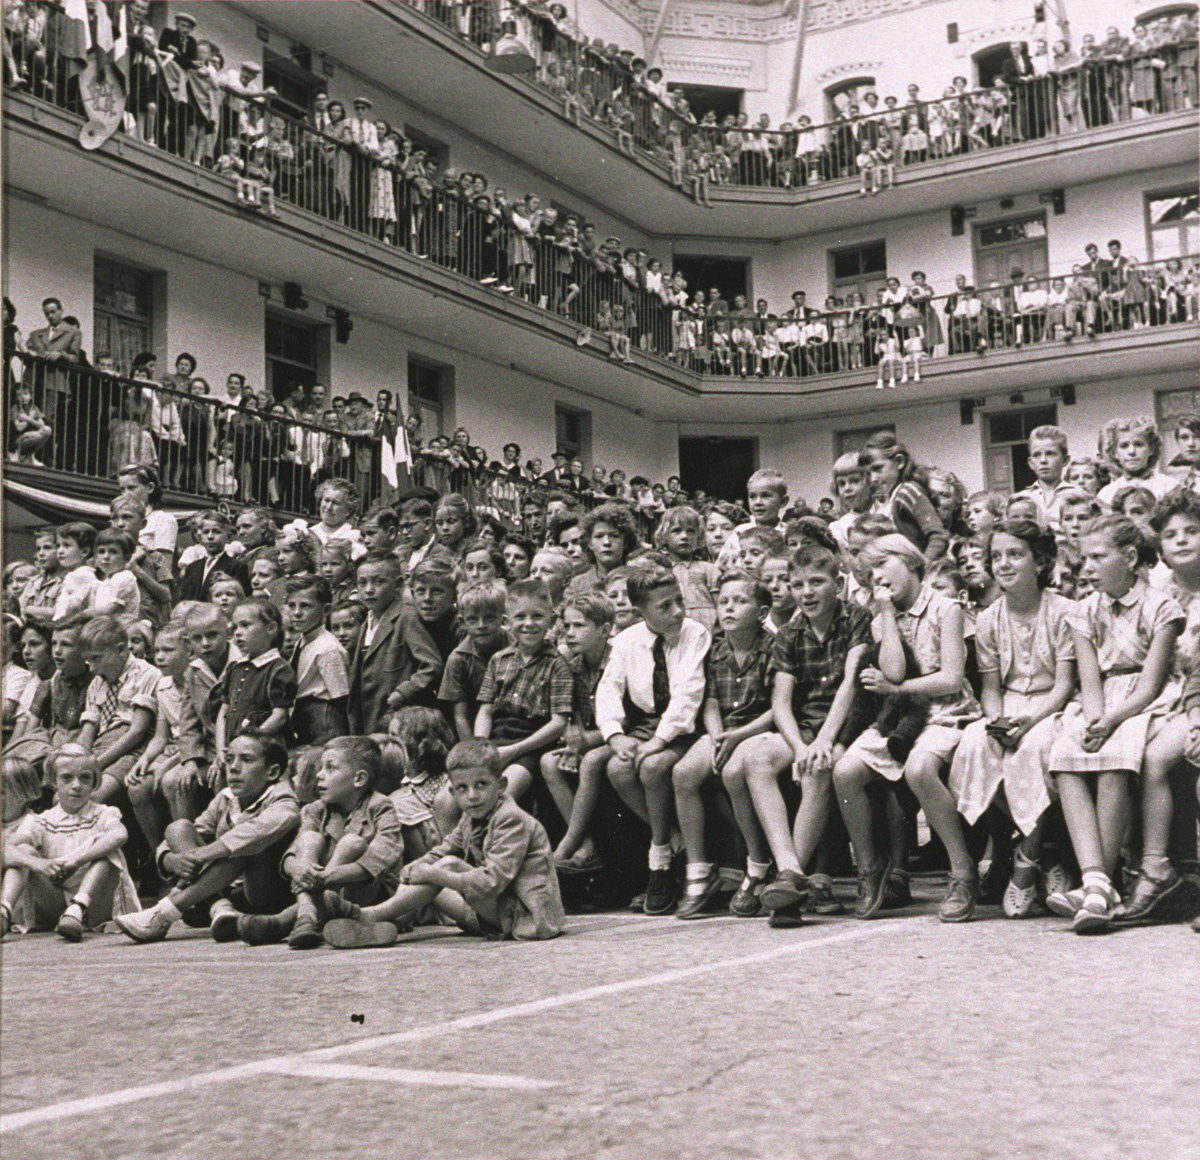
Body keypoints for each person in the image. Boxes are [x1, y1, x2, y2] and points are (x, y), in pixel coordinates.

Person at [833, 534, 982, 922]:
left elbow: (950, 678)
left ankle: (962, 871)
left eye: (882, 565)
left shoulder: (946, 608)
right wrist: (884, 613)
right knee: (845, 772)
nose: (876, 578)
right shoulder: (883, 614)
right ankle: (871, 868)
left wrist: (894, 688)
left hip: (946, 711)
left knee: (919, 769)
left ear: (909, 560)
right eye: (868, 574)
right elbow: (894, 670)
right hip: (902, 716)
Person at [1047, 516, 1184, 934]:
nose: (1086, 567)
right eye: (1082, 557)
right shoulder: (1083, 610)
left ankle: (1096, 889)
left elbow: (1151, 682)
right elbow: (1089, 679)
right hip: (1102, 700)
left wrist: (1112, 720)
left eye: (1097, 557)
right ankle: (1097, 881)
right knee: (1066, 754)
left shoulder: (1161, 605)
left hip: (1144, 700)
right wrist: (1093, 718)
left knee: (1114, 757)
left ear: (1128, 558)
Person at [948, 521, 1076, 918]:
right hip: (1008, 705)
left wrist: (1030, 721)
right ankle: (1045, 847)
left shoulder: (1064, 611)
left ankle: (1028, 859)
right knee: (972, 746)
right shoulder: (988, 619)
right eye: (996, 556)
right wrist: (996, 721)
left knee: (1033, 750)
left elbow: (1064, 685)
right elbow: (990, 685)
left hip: (1053, 707)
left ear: (1039, 562)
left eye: (1015, 554)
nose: (1003, 564)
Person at [323, 739, 565, 947]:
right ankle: (387, 925)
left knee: (447, 866)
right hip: (495, 914)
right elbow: (445, 847)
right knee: (436, 867)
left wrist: (432, 873)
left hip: (526, 919)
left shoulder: (511, 819)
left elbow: (490, 883)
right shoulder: (473, 815)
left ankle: (369, 916)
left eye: (481, 784)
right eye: (462, 788)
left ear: (501, 785)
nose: (472, 795)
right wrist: (417, 866)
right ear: (453, 791)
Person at [597, 565, 711, 915]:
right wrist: (615, 735)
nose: (677, 610)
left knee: (653, 767)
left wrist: (659, 740)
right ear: (640, 611)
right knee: (618, 768)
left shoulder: (695, 633)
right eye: (664, 606)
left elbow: (689, 694)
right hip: (647, 723)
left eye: (679, 601)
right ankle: (675, 842)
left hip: (685, 725)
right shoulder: (627, 640)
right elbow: (609, 688)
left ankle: (659, 859)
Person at [115, 731, 301, 943]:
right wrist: (172, 860)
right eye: (229, 759)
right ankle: (220, 909)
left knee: (243, 845)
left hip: (266, 894)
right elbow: (188, 833)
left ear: (273, 772)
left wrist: (203, 854)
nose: (233, 767)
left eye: (247, 760)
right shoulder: (226, 799)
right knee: (179, 828)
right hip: (230, 890)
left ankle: (164, 913)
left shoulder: (284, 798)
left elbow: (256, 831)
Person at [671, 572, 776, 919]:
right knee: (684, 772)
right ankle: (698, 868)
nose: (729, 607)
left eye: (739, 601)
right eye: (724, 601)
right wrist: (717, 736)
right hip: (723, 730)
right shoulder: (715, 649)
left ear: (761, 613)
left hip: (758, 730)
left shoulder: (773, 647)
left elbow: (778, 706)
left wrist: (737, 736)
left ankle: (757, 863)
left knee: (734, 771)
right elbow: (711, 702)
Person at [238, 735, 403, 949]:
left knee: (351, 843)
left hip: (368, 894)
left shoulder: (381, 806)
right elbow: (292, 854)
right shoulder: (315, 809)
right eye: (321, 767)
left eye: (330, 768)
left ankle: (286, 921)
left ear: (359, 779)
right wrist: (299, 869)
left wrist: (325, 877)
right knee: (309, 838)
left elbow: (382, 856)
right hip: (320, 887)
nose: (319, 774)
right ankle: (308, 914)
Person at [1, 745, 139, 940]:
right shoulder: (41, 820)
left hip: (96, 905)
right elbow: (6, 850)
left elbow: (119, 835)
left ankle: (77, 907)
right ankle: (4, 911)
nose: (76, 785)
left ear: (95, 782)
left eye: (85, 778)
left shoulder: (103, 814)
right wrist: (39, 864)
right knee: (23, 851)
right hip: (56, 906)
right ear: (53, 781)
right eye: (66, 778)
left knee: (105, 847)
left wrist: (75, 862)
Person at [474, 579, 572, 800]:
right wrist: (481, 745)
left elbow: (558, 723)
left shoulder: (557, 664)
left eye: (537, 616)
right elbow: (485, 711)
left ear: (552, 620)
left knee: (500, 795)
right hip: (495, 741)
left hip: (532, 746)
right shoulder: (498, 660)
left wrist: (514, 750)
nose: (528, 624)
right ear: (507, 622)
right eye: (520, 617)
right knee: (447, 800)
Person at [348, 551, 441, 733]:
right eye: (362, 583)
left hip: (397, 718)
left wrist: (402, 693)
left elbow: (432, 665)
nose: (369, 589)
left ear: (398, 584)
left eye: (379, 582)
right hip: (369, 717)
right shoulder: (366, 621)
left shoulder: (407, 617)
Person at [77, 616, 161, 804]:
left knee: (92, 798)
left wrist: (97, 764)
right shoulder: (97, 683)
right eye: (87, 660)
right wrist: (78, 759)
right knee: (63, 796)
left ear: (121, 650)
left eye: (96, 658)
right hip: (103, 743)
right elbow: (88, 731)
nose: (91, 667)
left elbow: (137, 732)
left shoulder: (147, 675)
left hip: (132, 748)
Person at [211, 599, 296, 764]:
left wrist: (247, 745)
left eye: (245, 625)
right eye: (235, 627)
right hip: (234, 752)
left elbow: (279, 717)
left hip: (262, 754)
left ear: (271, 628)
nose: (237, 633)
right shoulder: (235, 668)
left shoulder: (278, 669)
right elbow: (223, 713)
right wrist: (221, 749)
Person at [440, 579, 509, 743]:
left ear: (503, 618)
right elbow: (460, 716)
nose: (481, 625)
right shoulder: (458, 659)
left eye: (489, 618)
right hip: (477, 733)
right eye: (473, 619)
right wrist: (474, 752)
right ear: (463, 621)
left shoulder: (517, 647)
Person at [284, 575, 350, 747]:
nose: (296, 612)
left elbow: (341, 698)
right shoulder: (304, 640)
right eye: (292, 605)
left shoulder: (328, 648)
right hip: (304, 715)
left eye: (305, 606)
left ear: (326, 610)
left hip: (324, 718)